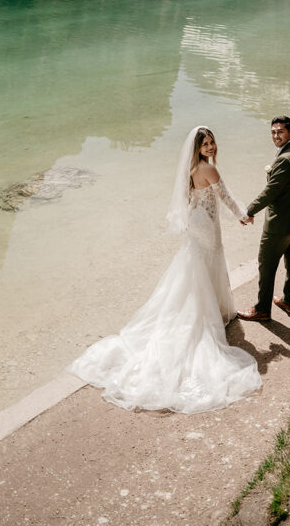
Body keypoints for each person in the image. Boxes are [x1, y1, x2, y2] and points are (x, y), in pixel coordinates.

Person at [69, 126, 261, 413]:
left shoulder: (190, 169)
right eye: (205, 143)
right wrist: (244, 216)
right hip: (208, 228)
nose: (210, 146)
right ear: (197, 147)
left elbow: (189, 202)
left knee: (194, 268)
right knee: (211, 263)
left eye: (211, 142)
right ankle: (212, 312)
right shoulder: (208, 169)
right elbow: (226, 197)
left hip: (196, 226)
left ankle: (210, 307)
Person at [237, 116, 290, 322]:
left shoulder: (285, 159)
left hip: (280, 222)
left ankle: (262, 309)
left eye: (280, 132)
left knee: (266, 264)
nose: (276, 136)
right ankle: (289, 301)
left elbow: (271, 191)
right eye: (273, 132)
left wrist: (248, 211)